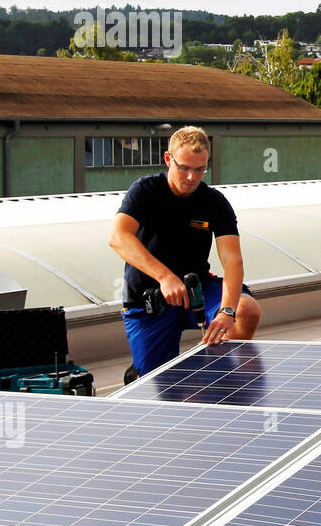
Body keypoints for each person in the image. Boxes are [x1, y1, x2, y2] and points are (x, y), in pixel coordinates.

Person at [109, 126, 261, 382]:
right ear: (169, 159)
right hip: (150, 299)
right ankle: (148, 376)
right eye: (184, 168)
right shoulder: (145, 191)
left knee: (245, 309)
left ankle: (220, 381)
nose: (192, 177)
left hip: (196, 291)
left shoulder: (214, 202)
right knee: (156, 386)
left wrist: (226, 311)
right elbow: (118, 237)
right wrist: (165, 277)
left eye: (200, 169)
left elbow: (232, 260)